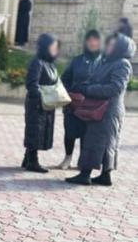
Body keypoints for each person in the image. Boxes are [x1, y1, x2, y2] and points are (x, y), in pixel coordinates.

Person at [66, 33, 136, 186]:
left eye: (112, 44)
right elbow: (96, 79)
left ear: (120, 47)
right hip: (99, 107)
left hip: (108, 110)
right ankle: (105, 175)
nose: (108, 46)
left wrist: (88, 90)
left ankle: (85, 174)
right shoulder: (106, 62)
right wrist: (83, 86)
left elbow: (115, 88)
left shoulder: (122, 64)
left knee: (99, 141)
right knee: (100, 141)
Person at [58, 30, 101, 169]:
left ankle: (83, 161)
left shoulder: (103, 62)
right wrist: (70, 94)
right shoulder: (77, 60)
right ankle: (67, 158)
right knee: (70, 132)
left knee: (87, 135)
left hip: (92, 104)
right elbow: (64, 79)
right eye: (89, 40)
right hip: (74, 104)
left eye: (95, 40)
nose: (92, 43)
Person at [22, 34, 59, 173]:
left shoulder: (50, 64)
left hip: (47, 104)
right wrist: (41, 97)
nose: (55, 49)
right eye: (53, 46)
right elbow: (32, 84)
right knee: (35, 131)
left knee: (41, 131)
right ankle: (32, 161)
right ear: (45, 47)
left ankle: (27, 159)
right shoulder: (37, 62)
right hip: (37, 104)